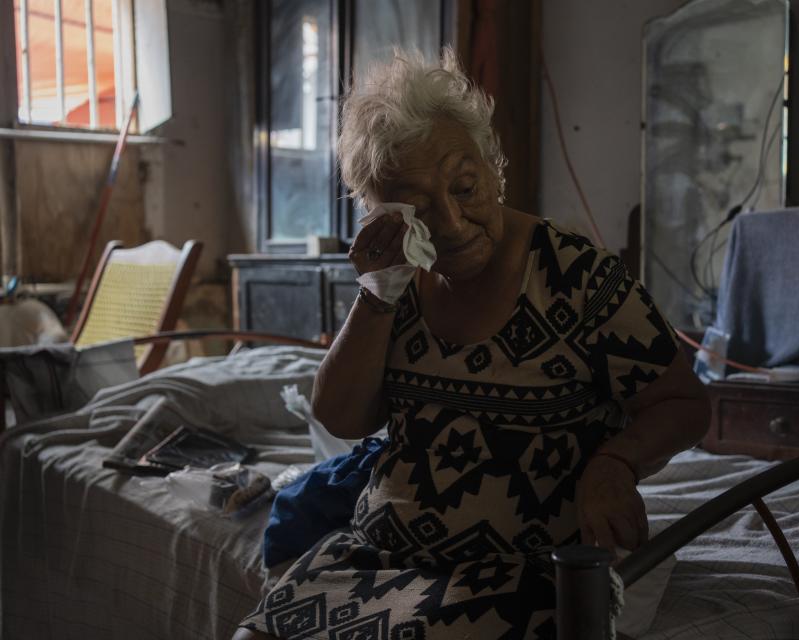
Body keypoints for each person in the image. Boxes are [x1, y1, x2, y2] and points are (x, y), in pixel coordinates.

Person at [234, 48, 709, 640]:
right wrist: (377, 294)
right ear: (382, 213)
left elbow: (685, 403)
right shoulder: (397, 279)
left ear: (494, 165)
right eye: (418, 209)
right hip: (378, 554)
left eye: (464, 187)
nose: (454, 225)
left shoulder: (575, 276)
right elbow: (342, 417)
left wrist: (615, 463)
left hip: (515, 572)